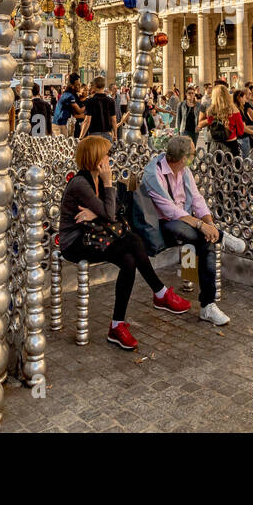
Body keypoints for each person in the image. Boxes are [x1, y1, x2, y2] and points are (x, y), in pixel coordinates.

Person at [60, 135, 191, 349]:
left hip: (97, 235)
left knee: (129, 261)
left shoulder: (97, 181)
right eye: (105, 154)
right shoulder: (81, 183)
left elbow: (118, 208)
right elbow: (112, 214)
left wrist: (96, 213)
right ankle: (160, 293)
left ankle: (117, 325)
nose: (109, 158)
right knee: (133, 240)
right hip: (76, 241)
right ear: (95, 158)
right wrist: (108, 188)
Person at [140, 135, 246, 326]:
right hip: (162, 226)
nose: (194, 158)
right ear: (182, 158)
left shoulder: (184, 171)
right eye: (192, 155)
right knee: (191, 231)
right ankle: (223, 237)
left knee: (206, 240)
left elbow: (197, 200)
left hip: (187, 222)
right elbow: (169, 211)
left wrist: (209, 225)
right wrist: (201, 226)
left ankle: (208, 305)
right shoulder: (153, 174)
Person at [198, 83, 244, 156]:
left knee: (215, 166)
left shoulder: (211, 111)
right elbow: (241, 131)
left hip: (215, 146)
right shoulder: (234, 110)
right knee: (232, 166)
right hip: (231, 145)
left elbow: (205, 123)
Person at [81, 76, 118, 142]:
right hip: (107, 134)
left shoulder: (90, 101)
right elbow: (114, 120)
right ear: (104, 86)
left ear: (94, 86)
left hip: (94, 134)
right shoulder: (111, 101)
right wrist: (115, 135)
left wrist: (81, 137)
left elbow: (87, 121)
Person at [54, 73, 87, 138]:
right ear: (72, 85)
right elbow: (79, 111)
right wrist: (89, 103)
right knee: (65, 144)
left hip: (64, 123)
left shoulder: (72, 94)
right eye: (77, 85)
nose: (79, 86)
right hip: (62, 123)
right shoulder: (69, 95)